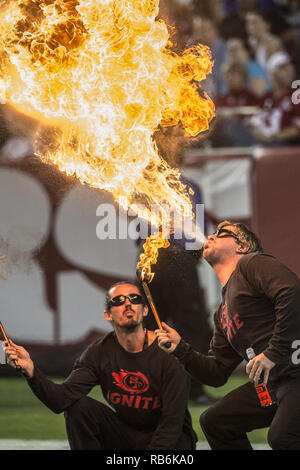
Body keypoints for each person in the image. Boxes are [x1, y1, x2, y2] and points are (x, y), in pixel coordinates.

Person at [155, 220, 300, 450]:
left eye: (222, 233)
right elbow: (217, 373)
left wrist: (272, 353)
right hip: (273, 385)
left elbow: (292, 293)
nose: (211, 236)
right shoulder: (222, 313)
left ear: (242, 246)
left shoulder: (252, 264)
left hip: (295, 372)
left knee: (283, 437)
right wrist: (180, 348)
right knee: (215, 421)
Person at [4, 281, 197, 450]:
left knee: (176, 439)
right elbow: (60, 400)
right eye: (118, 300)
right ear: (108, 315)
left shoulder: (170, 353)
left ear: (145, 310)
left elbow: (171, 424)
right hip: (128, 436)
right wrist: (31, 370)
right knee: (78, 408)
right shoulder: (99, 353)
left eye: (134, 298)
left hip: (170, 442)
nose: (127, 303)